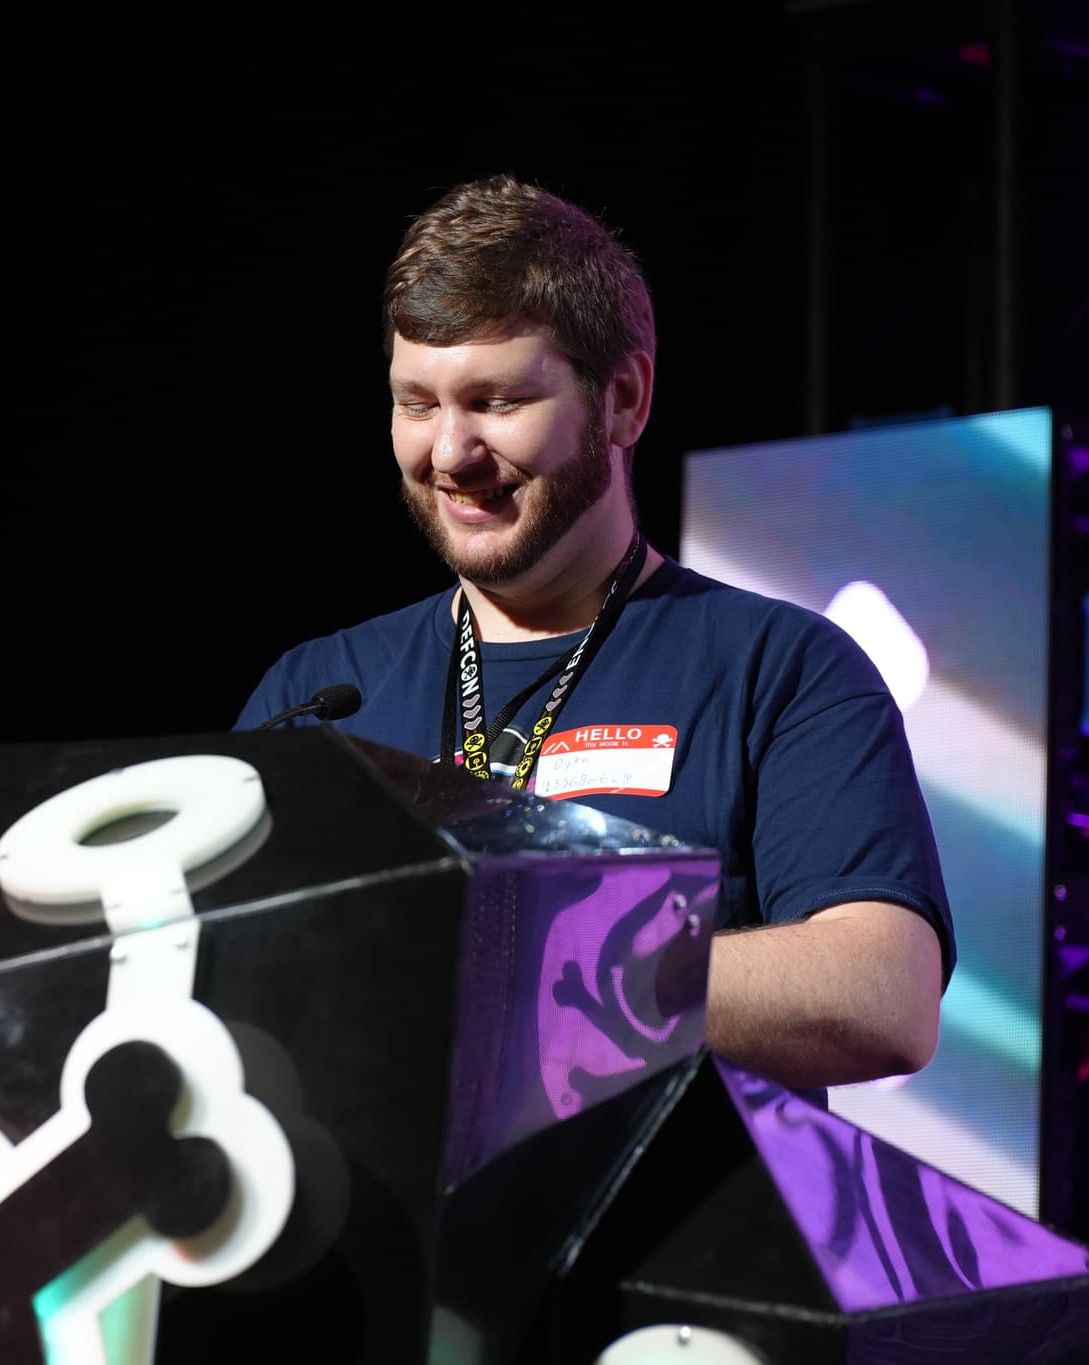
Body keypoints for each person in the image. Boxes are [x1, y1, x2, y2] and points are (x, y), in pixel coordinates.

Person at [234, 173, 950, 1095]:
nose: (449, 454)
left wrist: (543, 963)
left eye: (496, 401)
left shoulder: (781, 669)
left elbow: (886, 995)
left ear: (625, 400)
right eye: (417, 403)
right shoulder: (319, 692)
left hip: (655, 1236)